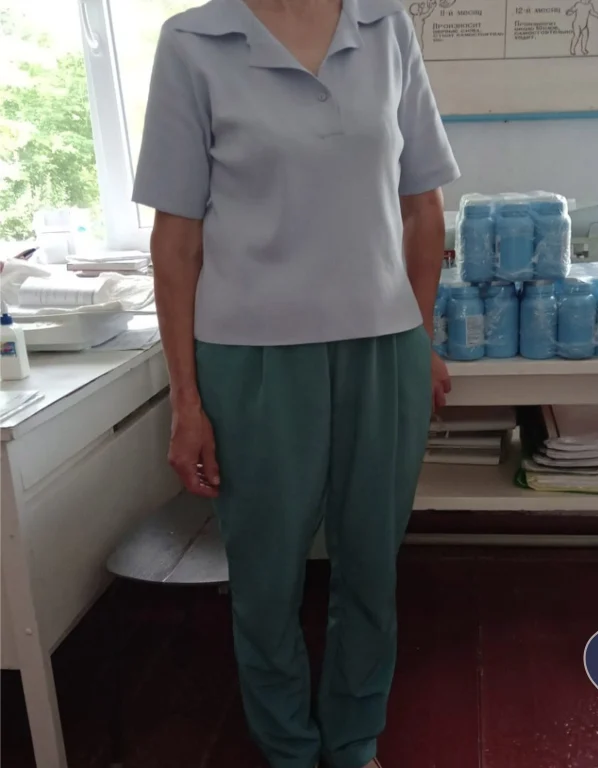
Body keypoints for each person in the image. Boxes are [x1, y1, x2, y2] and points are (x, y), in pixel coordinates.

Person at [132, 0, 460, 766]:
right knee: (266, 576)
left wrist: (420, 335)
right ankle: (285, 747)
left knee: (371, 567)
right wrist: (186, 401)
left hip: (382, 347)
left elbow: (424, 207)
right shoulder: (194, 42)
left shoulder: (386, 27)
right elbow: (175, 242)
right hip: (251, 357)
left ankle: (354, 742)